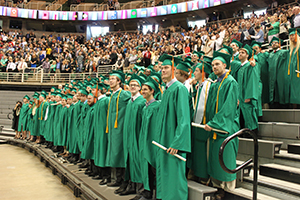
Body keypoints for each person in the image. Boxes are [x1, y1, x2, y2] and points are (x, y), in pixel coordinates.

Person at [204, 51, 239, 200]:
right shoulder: (216, 83)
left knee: (225, 155)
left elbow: (229, 107)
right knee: (215, 156)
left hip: (226, 126)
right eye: (212, 65)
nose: (214, 67)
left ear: (225, 65)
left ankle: (228, 188)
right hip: (215, 127)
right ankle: (217, 185)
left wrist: (214, 123)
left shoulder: (230, 82)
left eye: (217, 64)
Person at [155, 54, 191, 200]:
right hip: (165, 139)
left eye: (166, 68)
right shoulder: (167, 90)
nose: (163, 71)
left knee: (174, 175)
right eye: (161, 68)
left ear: (174, 69)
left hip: (174, 142)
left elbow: (184, 119)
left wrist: (177, 142)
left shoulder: (179, 89)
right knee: (165, 173)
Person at [187, 56, 213, 183]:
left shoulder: (209, 85)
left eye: (196, 71)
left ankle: (203, 175)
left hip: (204, 122)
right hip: (198, 123)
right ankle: (196, 172)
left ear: (203, 72)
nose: (194, 73)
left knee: (202, 151)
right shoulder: (200, 86)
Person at [135, 77, 161, 200]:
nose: (143, 91)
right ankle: (147, 192)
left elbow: (155, 128)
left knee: (153, 167)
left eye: (145, 89)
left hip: (152, 141)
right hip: (144, 140)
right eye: (142, 89)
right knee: (145, 165)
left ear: (152, 91)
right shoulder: (145, 107)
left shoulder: (156, 106)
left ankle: (155, 194)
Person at [120, 74, 146, 196]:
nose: (133, 87)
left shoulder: (141, 102)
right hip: (129, 138)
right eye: (131, 85)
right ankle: (131, 186)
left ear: (140, 87)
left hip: (136, 138)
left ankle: (140, 191)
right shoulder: (130, 102)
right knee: (129, 160)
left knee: (137, 162)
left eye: (135, 85)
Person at [105, 70, 131, 188]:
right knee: (114, 152)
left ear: (119, 81)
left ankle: (122, 180)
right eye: (110, 79)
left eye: (113, 79)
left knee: (119, 153)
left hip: (120, 129)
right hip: (113, 130)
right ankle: (116, 178)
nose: (110, 81)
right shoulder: (113, 95)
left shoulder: (124, 94)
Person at [237, 44, 259, 133]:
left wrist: (249, 95)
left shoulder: (250, 66)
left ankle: (253, 133)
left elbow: (252, 81)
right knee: (243, 115)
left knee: (249, 114)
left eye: (243, 52)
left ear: (247, 55)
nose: (240, 54)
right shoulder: (240, 68)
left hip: (247, 96)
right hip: (241, 96)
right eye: (239, 52)